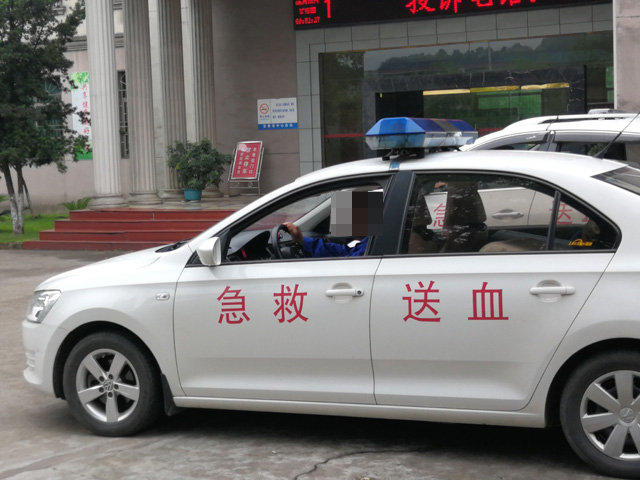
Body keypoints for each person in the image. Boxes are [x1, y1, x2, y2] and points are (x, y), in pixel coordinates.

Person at [283, 222, 367, 257]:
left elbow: (346, 257)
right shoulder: (369, 244)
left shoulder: (369, 248)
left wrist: (303, 241)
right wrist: (302, 241)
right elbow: (344, 252)